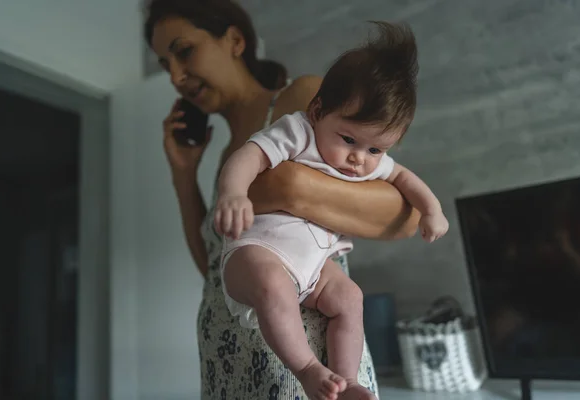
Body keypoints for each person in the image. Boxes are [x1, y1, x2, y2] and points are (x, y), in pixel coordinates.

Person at [144, 0, 421, 398]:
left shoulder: (301, 103)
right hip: (226, 361)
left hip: (310, 369)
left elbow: (405, 216)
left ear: (235, 40)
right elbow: (212, 266)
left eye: (184, 51)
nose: (175, 75)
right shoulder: (228, 158)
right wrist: (183, 175)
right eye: (163, 64)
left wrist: (288, 185)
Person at [214, 22, 448, 400]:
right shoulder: (299, 132)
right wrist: (232, 193)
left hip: (313, 270)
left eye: (376, 150)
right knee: (274, 287)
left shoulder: (370, 156)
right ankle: (308, 369)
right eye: (349, 139)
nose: (359, 159)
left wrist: (432, 208)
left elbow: (404, 178)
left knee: (350, 298)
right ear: (318, 110)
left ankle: (347, 380)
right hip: (256, 253)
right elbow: (250, 155)